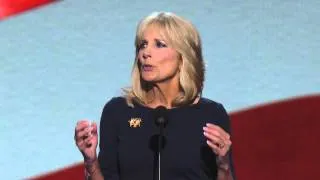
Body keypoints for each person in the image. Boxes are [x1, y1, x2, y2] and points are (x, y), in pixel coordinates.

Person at [75, 12, 235, 180]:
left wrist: (223, 164)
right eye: (143, 45)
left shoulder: (210, 114)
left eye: (159, 44)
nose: (146, 53)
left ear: (183, 56)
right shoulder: (118, 111)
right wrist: (91, 162)